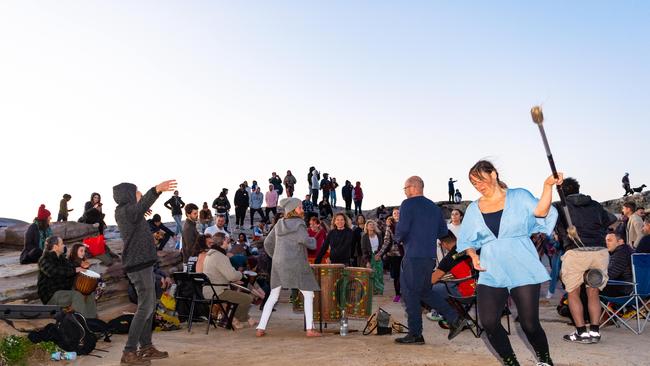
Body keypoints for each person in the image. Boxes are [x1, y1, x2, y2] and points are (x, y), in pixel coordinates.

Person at [457, 161, 559, 366]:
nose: (478, 186)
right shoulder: (474, 208)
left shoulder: (519, 196)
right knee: (488, 322)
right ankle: (511, 362)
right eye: (474, 183)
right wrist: (473, 255)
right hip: (491, 268)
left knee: (529, 324)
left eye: (480, 180)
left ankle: (545, 360)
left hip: (521, 264)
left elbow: (541, 211)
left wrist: (547, 186)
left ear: (493, 174)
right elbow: (467, 239)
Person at [393, 176, 466, 345]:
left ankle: (415, 333)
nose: (405, 191)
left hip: (413, 256)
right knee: (424, 291)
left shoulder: (408, 204)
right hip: (429, 257)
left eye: (405, 188)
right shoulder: (434, 208)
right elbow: (443, 233)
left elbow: (402, 229)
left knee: (409, 293)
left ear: (412, 187)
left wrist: (398, 238)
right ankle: (454, 318)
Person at [113, 179, 175, 365]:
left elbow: (139, 211)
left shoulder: (132, 213)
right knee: (145, 308)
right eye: (136, 191)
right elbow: (138, 208)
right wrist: (155, 190)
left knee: (150, 306)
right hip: (138, 266)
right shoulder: (124, 211)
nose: (139, 193)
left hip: (145, 264)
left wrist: (141, 208)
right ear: (128, 195)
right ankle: (129, 352)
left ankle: (146, 347)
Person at [554, 177, 616, 343]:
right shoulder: (595, 204)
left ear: (561, 192)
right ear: (577, 188)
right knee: (593, 292)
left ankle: (581, 332)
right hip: (599, 251)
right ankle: (595, 332)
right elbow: (612, 219)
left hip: (575, 252)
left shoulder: (560, 206)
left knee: (573, 293)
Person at [256, 197, 321, 337]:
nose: (302, 210)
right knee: (308, 294)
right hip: (296, 262)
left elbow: (267, 243)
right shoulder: (299, 223)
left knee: (273, 296)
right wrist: (313, 240)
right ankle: (310, 329)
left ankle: (260, 328)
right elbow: (305, 240)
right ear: (293, 209)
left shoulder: (279, 223)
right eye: (300, 207)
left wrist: (277, 256)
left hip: (279, 264)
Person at [201, 233, 256, 329]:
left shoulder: (210, 255)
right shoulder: (220, 256)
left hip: (209, 290)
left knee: (239, 296)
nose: (229, 243)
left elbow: (218, 274)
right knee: (247, 298)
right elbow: (232, 275)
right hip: (218, 291)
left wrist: (232, 280)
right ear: (222, 242)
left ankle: (237, 318)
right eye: (227, 241)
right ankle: (233, 318)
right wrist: (241, 275)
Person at [37, 236, 97, 318]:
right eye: (61, 244)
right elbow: (54, 272)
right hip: (51, 295)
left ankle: (92, 320)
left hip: (64, 291)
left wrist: (81, 265)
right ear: (55, 247)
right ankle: (82, 323)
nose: (64, 246)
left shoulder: (61, 258)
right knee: (77, 296)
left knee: (88, 293)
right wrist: (75, 270)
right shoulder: (44, 259)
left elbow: (71, 266)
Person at [426, 232, 473, 330]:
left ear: (443, 244)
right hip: (482, 289)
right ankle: (465, 317)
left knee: (432, 288)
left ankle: (451, 316)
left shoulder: (449, 259)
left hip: (467, 294)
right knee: (449, 284)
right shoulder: (468, 248)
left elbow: (432, 280)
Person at [377, 215, 402, 302]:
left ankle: (406, 295)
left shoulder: (406, 225)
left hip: (407, 255)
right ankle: (398, 295)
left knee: (406, 276)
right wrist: (380, 254)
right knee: (396, 276)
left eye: (398, 213)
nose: (396, 215)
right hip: (394, 254)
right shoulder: (389, 228)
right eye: (394, 213)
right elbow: (386, 242)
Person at [601, 232, 634, 297]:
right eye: (606, 241)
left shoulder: (620, 253)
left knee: (590, 287)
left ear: (620, 242)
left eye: (609, 240)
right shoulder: (628, 250)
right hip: (635, 288)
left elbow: (609, 275)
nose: (606, 243)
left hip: (624, 289)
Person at [360, 219, 384, 295]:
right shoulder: (364, 237)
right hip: (370, 257)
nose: (372, 226)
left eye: (373, 224)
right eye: (370, 225)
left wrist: (380, 255)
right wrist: (367, 261)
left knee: (379, 273)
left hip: (378, 255)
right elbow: (364, 250)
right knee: (372, 274)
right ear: (366, 227)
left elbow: (382, 246)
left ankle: (379, 290)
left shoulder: (379, 235)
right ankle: (372, 290)